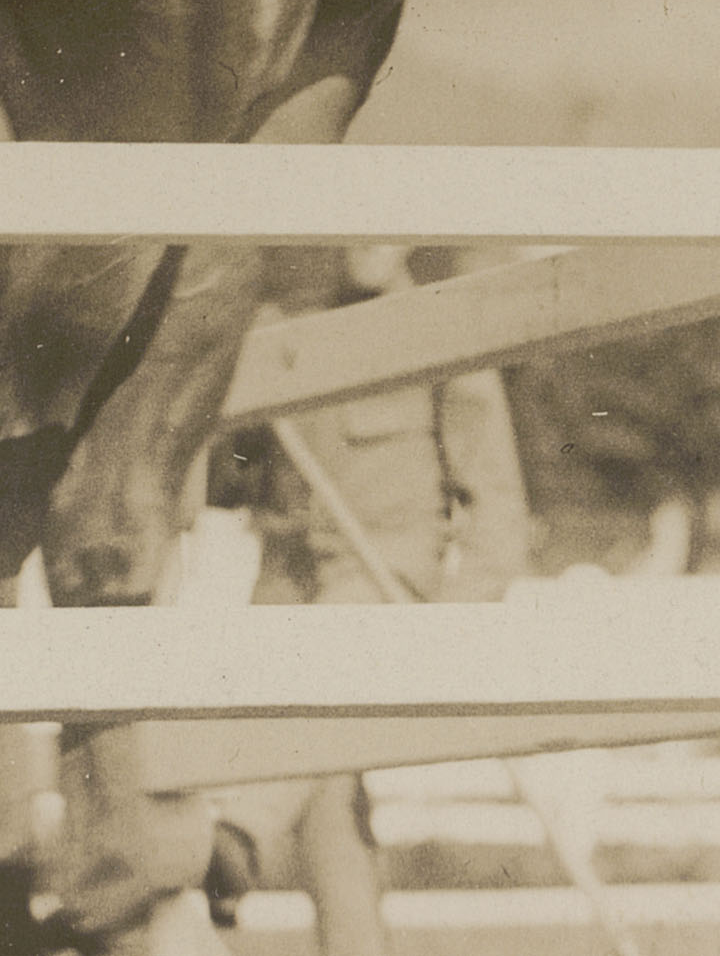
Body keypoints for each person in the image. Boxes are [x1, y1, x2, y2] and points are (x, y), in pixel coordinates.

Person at [210, 244, 535, 956]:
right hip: (288, 577)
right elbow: (228, 475)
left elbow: (498, 513)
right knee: (324, 798)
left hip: (383, 576)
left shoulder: (444, 327)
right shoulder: (285, 325)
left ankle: (234, 844)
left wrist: (454, 623)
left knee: (294, 748)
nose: (366, 241)